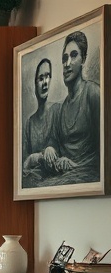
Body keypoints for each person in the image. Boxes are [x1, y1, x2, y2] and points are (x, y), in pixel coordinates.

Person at [44, 30, 101, 184]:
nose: (67, 64)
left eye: (74, 55)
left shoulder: (93, 93)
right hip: (65, 177)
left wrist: (77, 165)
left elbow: (104, 147)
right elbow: (53, 140)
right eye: (64, 58)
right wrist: (51, 149)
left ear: (83, 59)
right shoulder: (61, 108)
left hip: (88, 176)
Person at [21, 58, 59, 186]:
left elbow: (66, 147)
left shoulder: (57, 110)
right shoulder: (30, 123)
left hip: (55, 180)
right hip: (34, 181)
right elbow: (24, 164)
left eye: (48, 76)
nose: (45, 83)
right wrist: (36, 157)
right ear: (35, 84)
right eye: (41, 78)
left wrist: (51, 149)